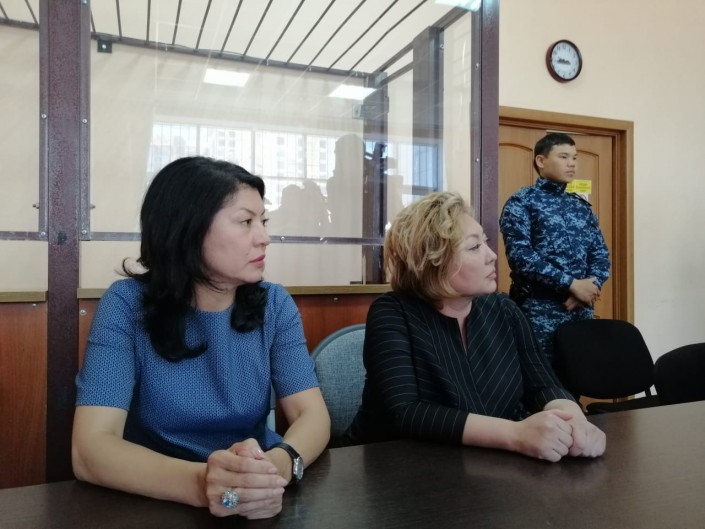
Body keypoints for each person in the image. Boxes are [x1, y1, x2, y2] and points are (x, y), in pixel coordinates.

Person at [72, 156, 330, 519]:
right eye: (246, 222)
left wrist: (275, 469)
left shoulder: (274, 304)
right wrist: (203, 483)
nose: (264, 238)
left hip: (256, 496)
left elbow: (312, 414)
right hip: (154, 500)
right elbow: (90, 449)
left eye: (263, 221)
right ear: (189, 229)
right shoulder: (126, 305)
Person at [346, 191, 605, 462]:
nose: (491, 256)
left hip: (486, 465)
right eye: (473, 247)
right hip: (398, 467)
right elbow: (408, 412)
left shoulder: (504, 309)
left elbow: (543, 386)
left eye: (486, 243)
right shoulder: (392, 313)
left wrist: (574, 419)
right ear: (431, 260)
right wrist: (516, 434)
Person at [499, 132, 610, 364]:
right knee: (541, 379)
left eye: (575, 157)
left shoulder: (581, 207)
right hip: (538, 311)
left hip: (580, 311)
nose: (572, 163)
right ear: (541, 160)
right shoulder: (522, 202)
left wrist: (589, 288)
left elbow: (600, 254)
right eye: (563, 156)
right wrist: (571, 285)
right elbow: (521, 257)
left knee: (580, 376)